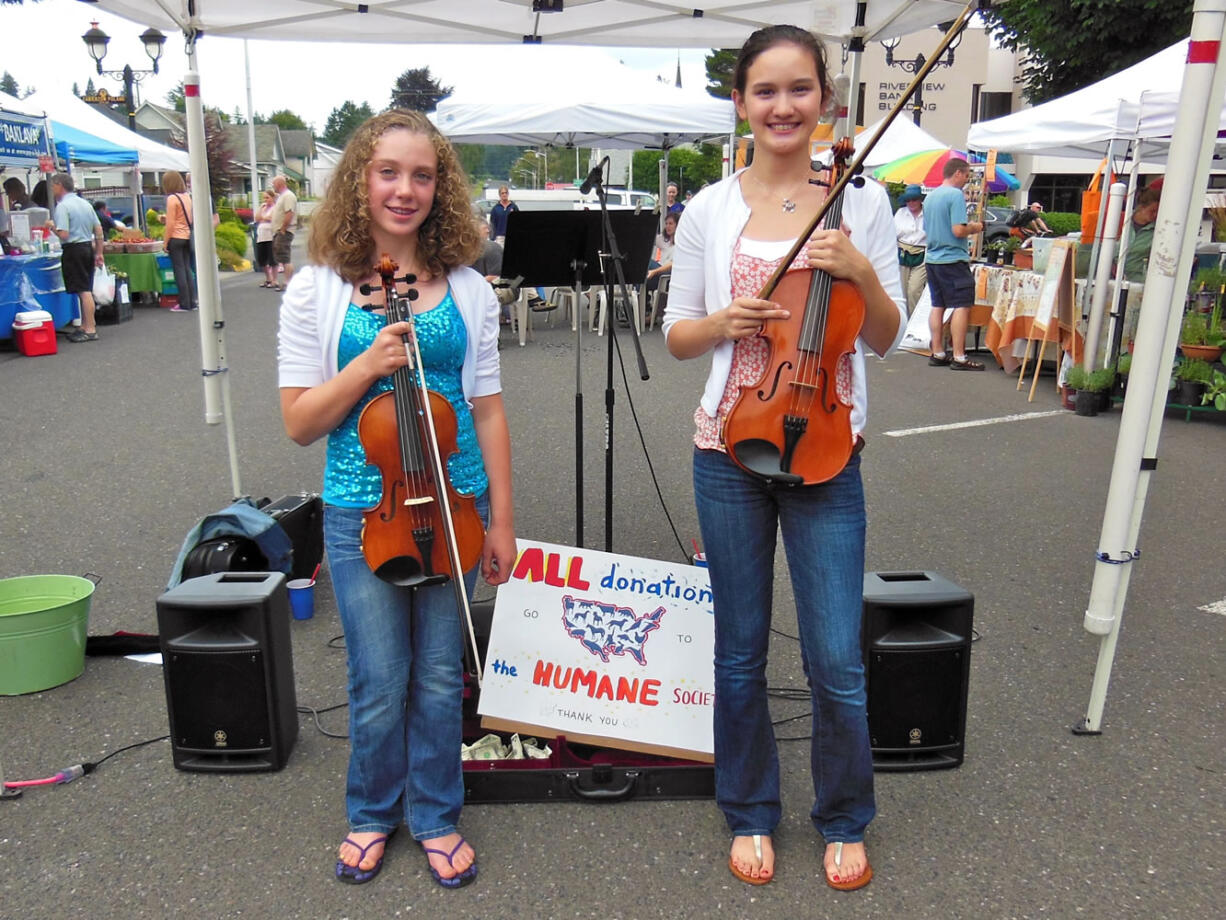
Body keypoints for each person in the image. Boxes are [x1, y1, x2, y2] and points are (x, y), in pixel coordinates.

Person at [662, 24, 904, 892]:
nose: (783, 106)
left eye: (800, 89)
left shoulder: (862, 202)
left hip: (829, 448)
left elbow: (887, 337)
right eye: (765, 91)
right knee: (739, 649)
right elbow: (678, 334)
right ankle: (750, 810)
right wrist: (725, 321)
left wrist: (864, 277)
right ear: (741, 103)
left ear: (825, 100)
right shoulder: (709, 208)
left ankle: (844, 815)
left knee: (835, 657)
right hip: (729, 446)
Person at [277, 108, 516, 891]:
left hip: (454, 504)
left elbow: (486, 409)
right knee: (379, 678)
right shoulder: (317, 292)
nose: (405, 190)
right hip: (362, 508)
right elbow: (299, 423)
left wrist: (503, 522)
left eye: (422, 175)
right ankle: (373, 811)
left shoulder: (472, 289)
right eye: (388, 172)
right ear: (359, 180)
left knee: (443, 673)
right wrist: (368, 365)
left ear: (439, 187)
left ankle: (437, 814)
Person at [923, 158, 985, 370]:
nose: (967, 181)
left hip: (932, 258)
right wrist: (975, 227)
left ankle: (937, 351)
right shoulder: (955, 195)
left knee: (937, 304)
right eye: (966, 175)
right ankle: (960, 355)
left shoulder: (931, 197)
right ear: (957, 173)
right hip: (953, 257)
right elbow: (958, 230)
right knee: (961, 304)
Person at [45, 173, 104, 343]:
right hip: (87, 247)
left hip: (73, 249)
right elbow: (98, 230)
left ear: (59, 185)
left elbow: (64, 234)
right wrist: (99, 253)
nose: (51, 188)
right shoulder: (85, 204)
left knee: (83, 290)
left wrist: (52, 227)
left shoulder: (63, 206)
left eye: (53, 185)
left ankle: (90, 329)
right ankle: (85, 325)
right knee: (85, 287)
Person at [161, 171, 199, 313]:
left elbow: (170, 224)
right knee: (187, 269)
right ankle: (192, 301)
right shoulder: (187, 197)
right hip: (187, 236)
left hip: (176, 237)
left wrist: (165, 243)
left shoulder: (172, 199)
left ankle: (183, 302)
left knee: (179, 270)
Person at [893, 184, 926, 315]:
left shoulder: (928, 213)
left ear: (920, 200)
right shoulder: (901, 213)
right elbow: (892, 234)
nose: (911, 203)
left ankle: (914, 321)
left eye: (914, 199)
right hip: (902, 253)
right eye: (908, 200)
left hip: (922, 253)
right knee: (901, 291)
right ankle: (902, 321)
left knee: (914, 290)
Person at [1122, 187, 1161, 282]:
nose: (1155, 215)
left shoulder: (1158, 230)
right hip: (1111, 277)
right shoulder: (1122, 221)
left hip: (1139, 281)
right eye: (1152, 211)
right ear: (1141, 207)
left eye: (1158, 211)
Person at [270, 174, 298, 290]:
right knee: (282, 256)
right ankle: (287, 282)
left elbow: (289, 213)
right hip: (280, 231)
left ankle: (288, 282)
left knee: (285, 257)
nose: (273, 186)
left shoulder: (288, 196)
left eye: (274, 184)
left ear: (279, 184)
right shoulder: (281, 196)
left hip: (285, 231)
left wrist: (283, 229)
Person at [646, 210, 678, 295]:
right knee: (640, 279)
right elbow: (648, 238)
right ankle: (642, 303)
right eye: (666, 224)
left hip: (670, 275)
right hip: (659, 275)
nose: (667, 226)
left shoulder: (681, 244)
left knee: (647, 262)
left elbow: (672, 264)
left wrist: (655, 271)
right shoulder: (664, 240)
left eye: (671, 224)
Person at [255, 188, 278, 288]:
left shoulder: (275, 208)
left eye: (267, 198)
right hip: (261, 236)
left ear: (272, 198)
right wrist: (261, 208)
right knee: (262, 259)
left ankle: (274, 280)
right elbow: (256, 218)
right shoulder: (263, 208)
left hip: (271, 235)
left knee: (272, 259)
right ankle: (268, 278)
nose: (266, 200)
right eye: (264, 198)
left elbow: (271, 219)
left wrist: (263, 218)